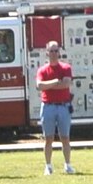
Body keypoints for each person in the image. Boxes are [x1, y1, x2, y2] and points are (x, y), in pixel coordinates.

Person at [36, 40, 75, 176]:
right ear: (47, 53)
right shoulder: (42, 70)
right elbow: (39, 86)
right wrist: (55, 82)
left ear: (59, 52)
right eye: (51, 51)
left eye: (56, 51)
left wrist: (49, 85)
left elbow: (66, 84)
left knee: (65, 137)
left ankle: (68, 165)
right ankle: (48, 166)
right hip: (48, 107)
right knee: (49, 138)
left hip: (64, 106)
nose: (53, 53)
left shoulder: (66, 68)